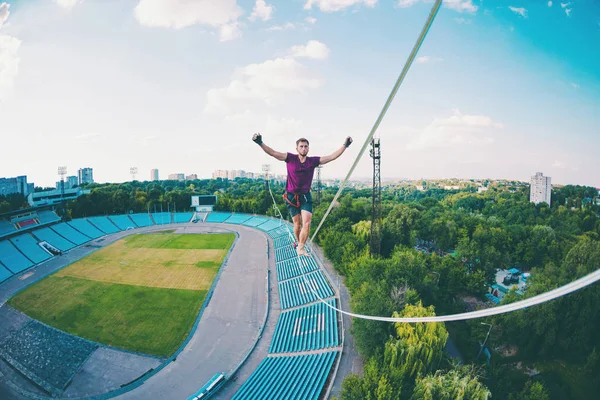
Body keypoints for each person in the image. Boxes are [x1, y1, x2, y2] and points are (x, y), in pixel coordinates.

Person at [252, 133, 353, 256]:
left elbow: (331, 157)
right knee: (297, 224)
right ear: (297, 149)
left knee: (307, 223)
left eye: (306, 146)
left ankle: (301, 247)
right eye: (301, 146)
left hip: (305, 196)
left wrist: (345, 145)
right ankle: (298, 241)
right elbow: (273, 153)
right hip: (291, 196)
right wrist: (260, 143)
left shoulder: (313, 161)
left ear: (308, 148)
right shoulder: (290, 158)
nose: (304, 148)